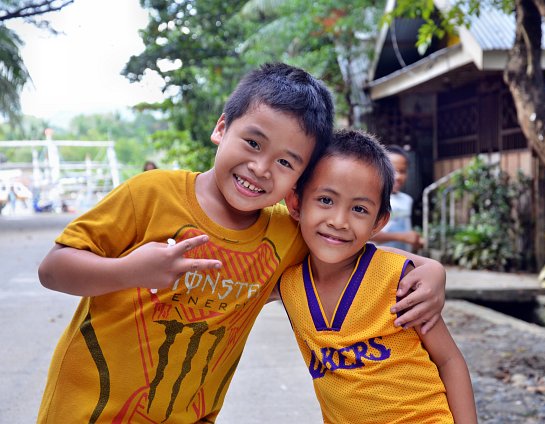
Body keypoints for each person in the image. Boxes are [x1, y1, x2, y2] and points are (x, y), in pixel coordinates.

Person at [37, 63, 446, 423]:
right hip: (86, 411)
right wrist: (131, 271)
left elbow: (351, 248)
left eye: (285, 162)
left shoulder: (285, 234)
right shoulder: (151, 194)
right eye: (253, 143)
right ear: (221, 128)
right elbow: (53, 269)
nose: (261, 168)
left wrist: (430, 270)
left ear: (298, 184)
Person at [276, 129, 477, 423]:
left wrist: (435, 270)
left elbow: (449, 360)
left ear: (378, 222)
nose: (339, 221)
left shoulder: (398, 279)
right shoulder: (289, 283)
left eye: (359, 209)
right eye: (326, 200)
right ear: (296, 203)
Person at [370, 144, 424, 252]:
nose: (398, 177)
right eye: (392, 170)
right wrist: (402, 237)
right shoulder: (372, 198)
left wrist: (416, 241)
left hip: (402, 257)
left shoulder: (407, 200)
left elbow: (406, 228)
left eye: (402, 171)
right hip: (376, 257)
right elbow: (367, 234)